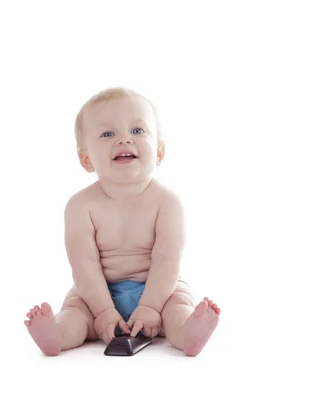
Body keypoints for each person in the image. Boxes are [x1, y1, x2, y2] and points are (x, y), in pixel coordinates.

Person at [23, 87, 221, 356]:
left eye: (137, 131)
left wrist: (151, 307)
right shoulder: (81, 206)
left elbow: (166, 261)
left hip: (159, 290)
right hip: (96, 294)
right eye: (108, 134)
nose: (124, 140)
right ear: (86, 160)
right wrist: (103, 311)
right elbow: (84, 264)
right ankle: (56, 333)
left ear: (160, 152)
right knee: (75, 312)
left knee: (178, 305)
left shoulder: (167, 202)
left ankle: (188, 332)